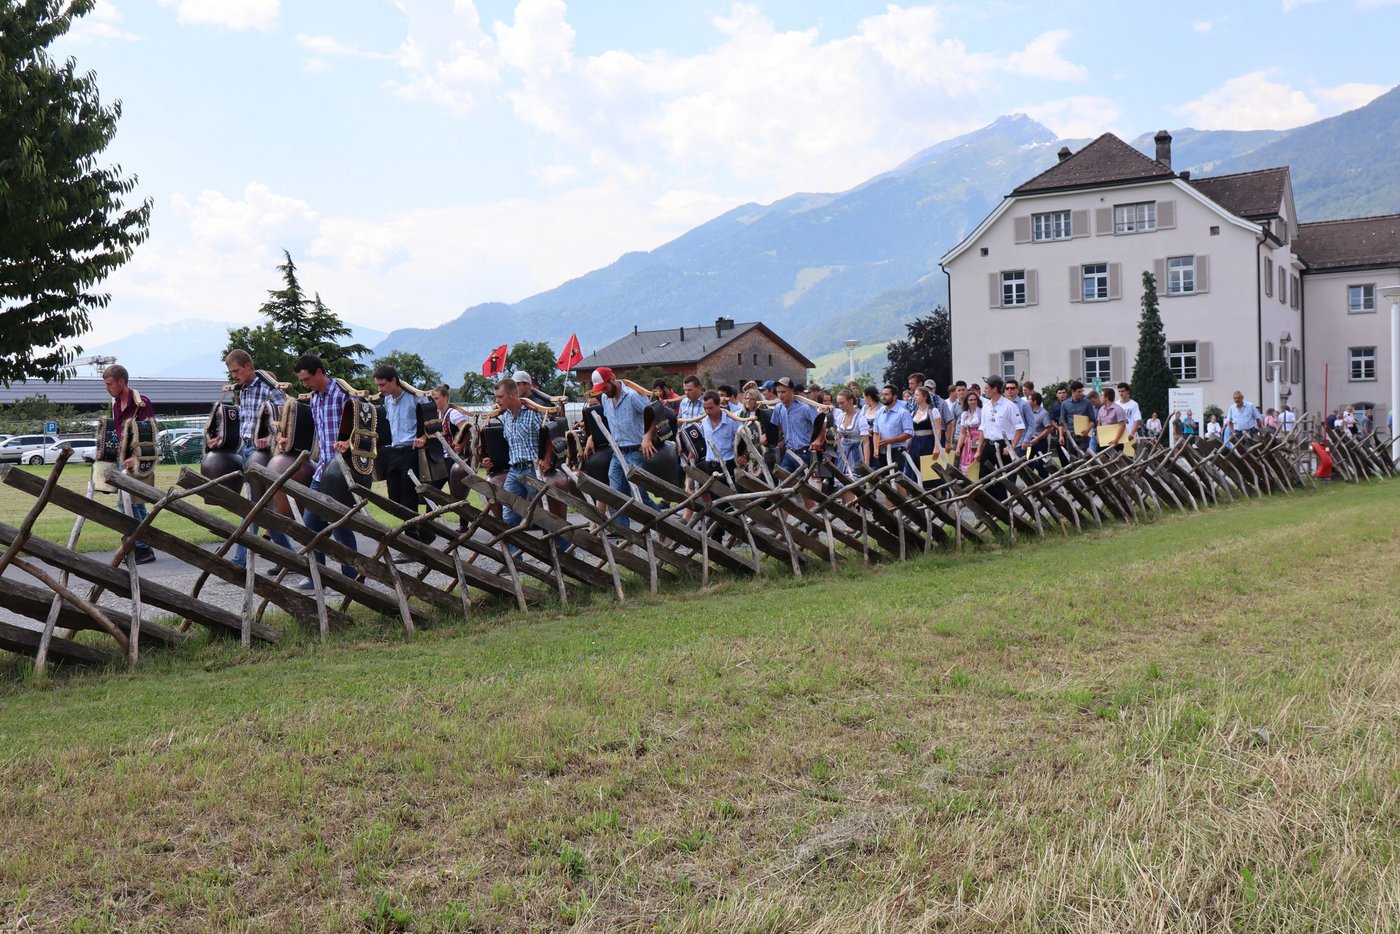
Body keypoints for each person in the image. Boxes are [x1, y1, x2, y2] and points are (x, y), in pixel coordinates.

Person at [224, 349, 293, 568]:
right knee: (262, 507)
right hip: (246, 449)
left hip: (264, 452)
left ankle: (239, 561)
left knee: (255, 505)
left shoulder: (270, 389)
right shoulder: (242, 390)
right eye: (231, 372)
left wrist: (268, 435)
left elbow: (284, 418)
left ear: (249, 366)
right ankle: (289, 559)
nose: (234, 375)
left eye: (236, 371)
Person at [294, 354, 358, 585]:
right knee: (310, 523)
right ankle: (317, 575)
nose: (305, 384)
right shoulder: (314, 399)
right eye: (302, 380)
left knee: (340, 526)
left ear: (320, 372)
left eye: (308, 379)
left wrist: (350, 443)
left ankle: (351, 577)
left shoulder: (343, 395)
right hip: (323, 470)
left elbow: (362, 430)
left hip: (341, 472)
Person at [585, 366, 658, 528]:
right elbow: (605, 421)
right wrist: (592, 437)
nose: (603, 392)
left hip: (636, 450)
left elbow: (653, 414)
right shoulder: (605, 399)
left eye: (605, 387)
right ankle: (625, 537)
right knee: (616, 497)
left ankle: (666, 528)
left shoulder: (632, 396)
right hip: (617, 452)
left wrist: (647, 436)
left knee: (640, 496)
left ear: (612, 379)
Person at [102, 364, 157, 565]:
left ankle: (141, 547)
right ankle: (142, 546)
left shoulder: (141, 403)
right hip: (121, 460)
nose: (107, 388)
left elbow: (150, 435)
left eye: (109, 384)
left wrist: (138, 458)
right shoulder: (116, 405)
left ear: (122, 382)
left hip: (137, 461)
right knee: (133, 504)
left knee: (129, 503)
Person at [374, 363, 431, 543]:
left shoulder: (415, 398)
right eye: (378, 385)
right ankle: (424, 532)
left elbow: (431, 420)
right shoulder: (387, 401)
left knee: (409, 496)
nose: (380, 389)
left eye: (383, 385)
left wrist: (424, 436)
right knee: (394, 497)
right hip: (394, 451)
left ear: (394, 380)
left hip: (411, 451)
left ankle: (413, 540)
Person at [482, 378, 544, 533]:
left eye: (500, 397)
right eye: (496, 397)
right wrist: (493, 461)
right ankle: (515, 557)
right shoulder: (507, 416)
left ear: (512, 395)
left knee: (545, 517)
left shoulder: (533, 413)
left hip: (533, 469)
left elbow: (548, 436)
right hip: (514, 470)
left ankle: (562, 551)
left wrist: (547, 459)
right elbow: (509, 446)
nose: (497, 401)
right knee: (508, 518)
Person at [979, 375, 1024, 492]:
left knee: (1004, 479)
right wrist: (979, 450)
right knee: (983, 478)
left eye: (987, 388)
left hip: (1004, 445)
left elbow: (1020, 428)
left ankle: (1002, 505)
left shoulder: (1010, 406)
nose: (985, 390)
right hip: (989, 444)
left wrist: (1011, 447)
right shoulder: (985, 406)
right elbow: (982, 429)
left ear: (995, 389)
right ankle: (988, 503)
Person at [770, 377, 818, 472]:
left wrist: (818, 441)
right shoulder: (778, 408)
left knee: (802, 484)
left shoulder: (805, 408)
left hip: (804, 452)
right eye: (778, 392)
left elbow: (821, 424)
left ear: (791, 390)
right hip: (789, 451)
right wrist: (776, 439)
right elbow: (775, 427)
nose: (780, 395)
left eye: (783, 392)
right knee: (784, 481)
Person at [696, 390, 745, 476]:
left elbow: (743, 438)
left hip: (729, 465)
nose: (707, 411)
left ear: (718, 405)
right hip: (709, 465)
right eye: (705, 408)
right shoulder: (704, 422)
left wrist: (741, 455)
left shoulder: (732, 421)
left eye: (710, 408)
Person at [871, 384, 914, 470]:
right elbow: (876, 432)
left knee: (897, 480)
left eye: (886, 394)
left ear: (894, 397)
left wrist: (890, 441)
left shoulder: (903, 413)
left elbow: (909, 433)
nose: (883, 397)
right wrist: (876, 449)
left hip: (897, 451)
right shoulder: (879, 412)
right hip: (882, 452)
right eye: (882, 394)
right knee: (884, 480)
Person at [907, 386, 943, 483]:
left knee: (930, 472)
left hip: (928, 443)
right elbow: (912, 431)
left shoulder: (933, 411)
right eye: (915, 395)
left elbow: (938, 430)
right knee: (915, 470)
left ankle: (938, 496)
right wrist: (907, 445)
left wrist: (937, 447)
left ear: (925, 396)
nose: (915, 397)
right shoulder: (914, 412)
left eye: (917, 395)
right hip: (916, 443)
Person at [430, 383, 470, 468]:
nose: (434, 402)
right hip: (441, 458)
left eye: (436, 398)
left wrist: (461, 446)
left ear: (445, 398)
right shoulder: (436, 415)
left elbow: (467, 431)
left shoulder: (454, 414)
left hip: (455, 458)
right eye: (432, 399)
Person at [833, 388, 869, 475]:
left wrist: (866, 463)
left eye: (842, 403)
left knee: (853, 479)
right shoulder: (840, 417)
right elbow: (838, 436)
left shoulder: (861, 418)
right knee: (841, 480)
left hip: (855, 454)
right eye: (838, 403)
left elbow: (866, 442)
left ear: (851, 401)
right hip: (842, 454)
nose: (840, 406)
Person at [1057, 380, 1096, 455]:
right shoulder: (1065, 404)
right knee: (1073, 459)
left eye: (1081, 391)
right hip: (1071, 436)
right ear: (1073, 391)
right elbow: (1061, 422)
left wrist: (1087, 430)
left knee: (1082, 458)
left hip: (1083, 436)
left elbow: (1092, 420)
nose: (1080, 393)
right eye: (1078, 392)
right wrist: (1061, 436)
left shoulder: (1087, 403)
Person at [956, 391, 983, 473]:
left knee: (978, 461)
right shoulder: (964, 414)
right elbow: (963, 432)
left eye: (975, 399)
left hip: (980, 439)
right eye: (970, 400)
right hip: (969, 441)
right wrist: (958, 447)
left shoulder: (981, 412)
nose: (973, 402)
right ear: (967, 401)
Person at [1096, 386, 1126, 452]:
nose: (1100, 398)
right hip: (1103, 442)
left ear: (1106, 397)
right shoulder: (1101, 409)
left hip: (1115, 443)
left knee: (1115, 461)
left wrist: (1116, 440)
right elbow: (1099, 424)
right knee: (1101, 461)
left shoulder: (1118, 409)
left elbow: (1122, 425)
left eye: (1102, 396)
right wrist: (1098, 438)